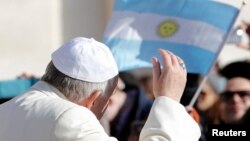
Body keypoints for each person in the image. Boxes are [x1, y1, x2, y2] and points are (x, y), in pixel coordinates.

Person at [0, 37, 201, 141]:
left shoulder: (6, 110)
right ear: (94, 99)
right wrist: (169, 102)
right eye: (106, 100)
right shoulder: (70, 118)